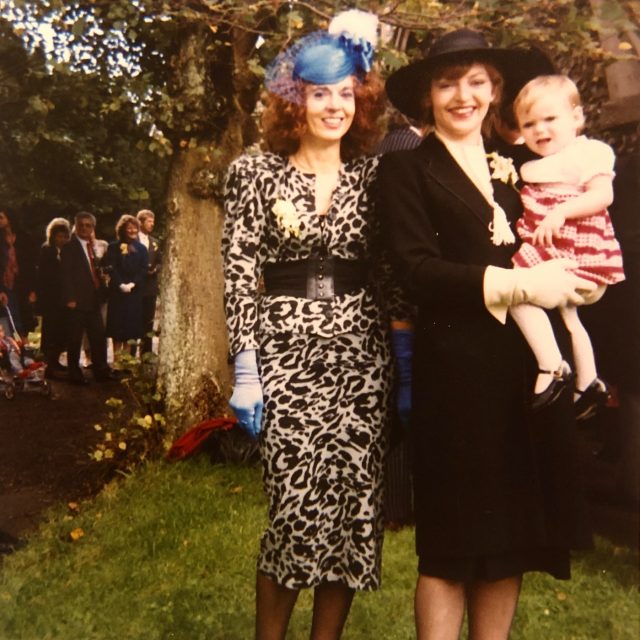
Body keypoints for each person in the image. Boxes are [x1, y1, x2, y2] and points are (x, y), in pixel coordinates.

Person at [379, 29, 595, 639]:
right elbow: (417, 270)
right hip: (456, 375)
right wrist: (521, 287)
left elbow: (577, 228)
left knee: (511, 541)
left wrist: (585, 279)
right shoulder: (405, 169)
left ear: (494, 90)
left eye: (476, 81)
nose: (462, 95)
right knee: (451, 547)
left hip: (525, 374)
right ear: (428, 95)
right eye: (447, 83)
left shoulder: (523, 167)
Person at [222, 10, 404, 639]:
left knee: (354, 514)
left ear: (363, 99)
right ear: (296, 102)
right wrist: (246, 371)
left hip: (360, 363)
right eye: (320, 94)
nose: (334, 107)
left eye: (346, 94)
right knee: (294, 511)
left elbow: (393, 269)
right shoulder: (253, 171)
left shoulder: (377, 176)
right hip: (286, 364)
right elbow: (240, 270)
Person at [508, 75, 625, 419]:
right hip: (559, 254)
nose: (539, 130)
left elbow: (603, 195)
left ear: (576, 118)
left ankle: (551, 365)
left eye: (549, 119)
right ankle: (588, 381)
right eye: (529, 124)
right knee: (571, 318)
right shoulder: (534, 167)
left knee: (515, 291)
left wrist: (560, 211)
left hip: (579, 254)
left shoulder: (586, 153)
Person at [60, 211, 115, 384]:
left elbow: (93, 271)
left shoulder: (93, 247)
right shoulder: (70, 247)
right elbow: (65, 275)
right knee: (75, 339)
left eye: (88, 225)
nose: (84, 228)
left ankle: (101, 370)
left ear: (93, 228)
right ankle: (74, 374)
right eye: (81, 225)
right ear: (75, 227)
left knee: (98, 336)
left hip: (93, 299)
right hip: (76, 300)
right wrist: (70, 297)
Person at [104, 214, 148, 359]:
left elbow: (143, 269)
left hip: (134, 293)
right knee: (117, 328)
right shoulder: (113, 247)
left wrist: (133, 283)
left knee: (131, 328)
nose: (132, 230)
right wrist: (120, 284)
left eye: (135, 228)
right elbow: (111, 267)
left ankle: (127, 362)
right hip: (117, 293)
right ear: (122, 230)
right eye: (129, 228)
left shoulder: (141, 249)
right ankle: (117, 362)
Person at [36, 217, 71, 376]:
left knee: (62, 331)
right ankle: (48, 366)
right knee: (50, 331)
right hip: (50, 298)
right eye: (59, 236)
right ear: (52, 236)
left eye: (64, 236)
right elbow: (44, 275)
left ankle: (55, 360)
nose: (62, 239)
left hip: (63, 298)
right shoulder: (47, 249)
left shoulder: (68, 252)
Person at [0, 210, 38, 339]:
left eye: (1, 217)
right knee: (10, 319)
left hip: (23, 283)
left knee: (27, 319)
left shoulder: (24, 238)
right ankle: (13, 353)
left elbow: (31, 265)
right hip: (6, 285)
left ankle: (28, 353)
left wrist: (33, 289)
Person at [136, 209, 161, 355]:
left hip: (150, 287)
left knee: (148, 322)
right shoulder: (132, 241)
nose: (152, 224)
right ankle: (130, 355)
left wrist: (155, 269)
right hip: (136, 287)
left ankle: (146, 354)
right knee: (134, 321)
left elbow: (159, 261)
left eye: (153, 221)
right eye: (149, 221)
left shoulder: (155, 242)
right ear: (140, 222)